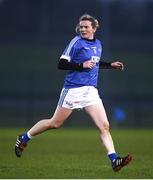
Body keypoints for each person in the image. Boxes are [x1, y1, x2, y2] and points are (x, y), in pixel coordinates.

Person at [15, 14, 132, 172]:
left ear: (94, 28)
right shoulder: (76, 42)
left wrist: (110, 65)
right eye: (81, 27)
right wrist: (81, 65)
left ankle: (114, 160)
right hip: (73, 90)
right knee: (54, 123)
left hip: (90, 91)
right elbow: (61, 64)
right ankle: (24, 137)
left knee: (104, 126)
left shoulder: (98, 43)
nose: (83, 29)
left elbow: (94, 64)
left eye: (86, 27)